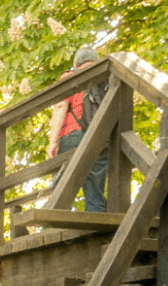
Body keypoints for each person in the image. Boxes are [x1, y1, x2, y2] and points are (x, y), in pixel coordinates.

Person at [46, 46, 107, 213]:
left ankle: (52, 231)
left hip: (74, 134)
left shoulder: (70, 77)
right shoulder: (104, 78)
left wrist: (52, 142)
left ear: (76, 63)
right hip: (99, 137)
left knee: (62, 191)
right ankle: (97, 233)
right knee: (95, 194)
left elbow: (60, 108)